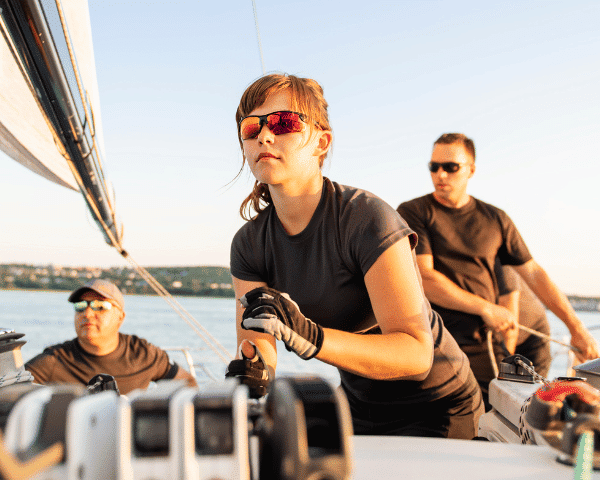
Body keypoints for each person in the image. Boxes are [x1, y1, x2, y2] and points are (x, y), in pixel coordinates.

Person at [225, 74, 484, 439]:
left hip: (438, 404)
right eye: (252, 127)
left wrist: (310, 336)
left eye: (284, 122)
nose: (265, 136)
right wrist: (251, 372)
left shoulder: (366, 219)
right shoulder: (249, 245)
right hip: (358, 406)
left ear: (321, 141)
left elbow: (415, 354)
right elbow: (259, 351)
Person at [397, 133, 598, 407]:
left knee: (509, 414)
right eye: (434, 167)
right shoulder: (413, 212)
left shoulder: (495, 219)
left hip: (487, 344)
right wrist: (486, 308)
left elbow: (534, 274)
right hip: (439, 341)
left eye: (450, 167)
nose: (440, 174)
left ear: (471, 170)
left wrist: (576, 328)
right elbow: (425, 278)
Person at [25, 279, 197, 395]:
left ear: (120, 317)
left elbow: (187, 383)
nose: (87, 313)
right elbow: (9, 393)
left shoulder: (142, 354)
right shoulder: (54, 361)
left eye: (100, 305)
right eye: (80, 305)